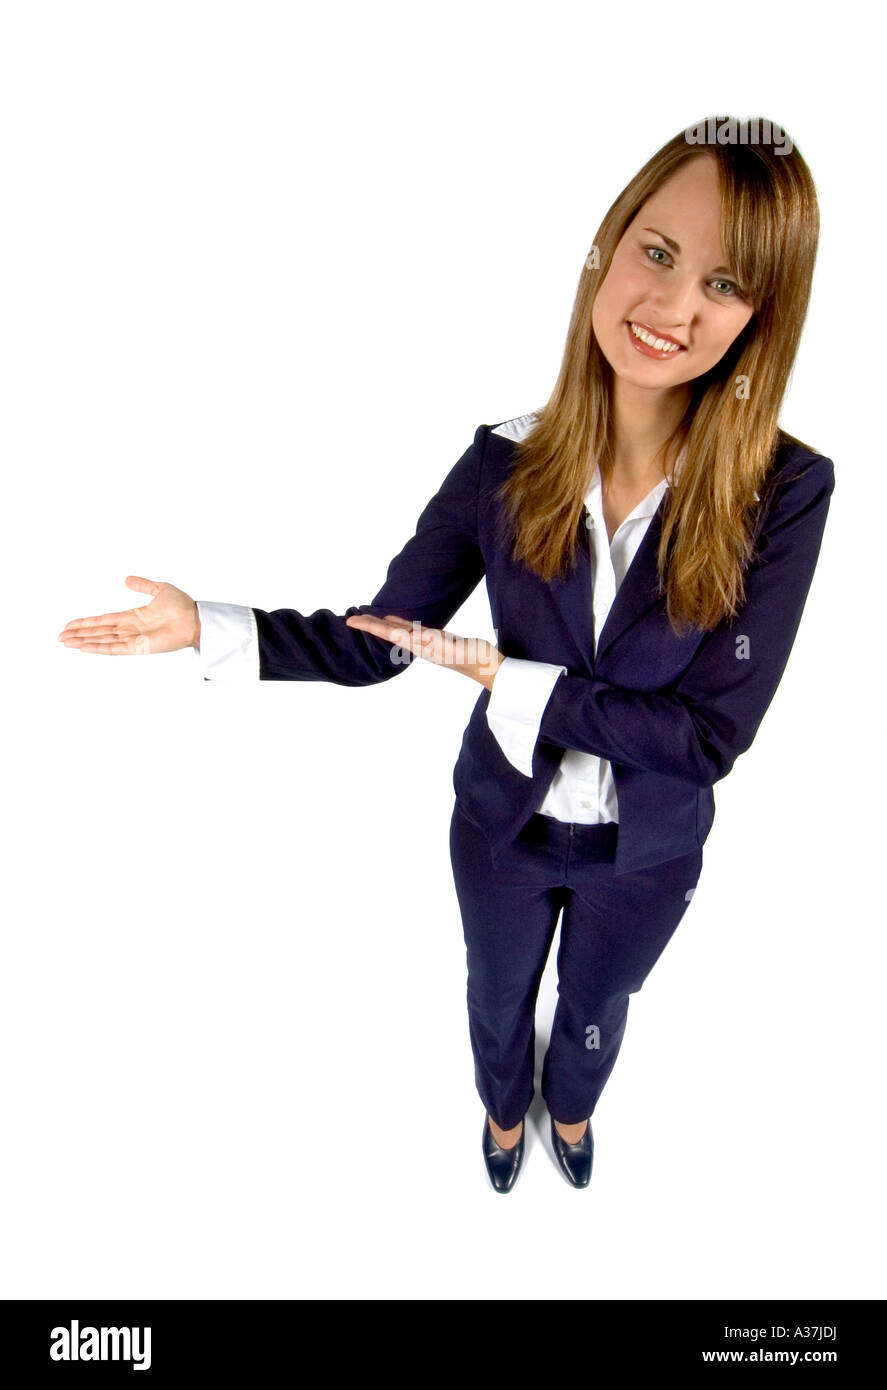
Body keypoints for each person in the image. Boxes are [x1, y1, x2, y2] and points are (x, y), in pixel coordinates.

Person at [57, 117, 835, 1195]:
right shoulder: (500, 460)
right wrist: (214, 626)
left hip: (648, 846)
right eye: (654, 252)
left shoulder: (785, 491)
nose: (670, 307)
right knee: (494, 988)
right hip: (501, 824)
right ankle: (502, 1115)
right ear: (607, 247)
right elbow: (384, 643)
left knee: (598, 1004)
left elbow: (706, 737)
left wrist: (503, 679)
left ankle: (569, 1109)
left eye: (723, 282)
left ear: (760, 315)